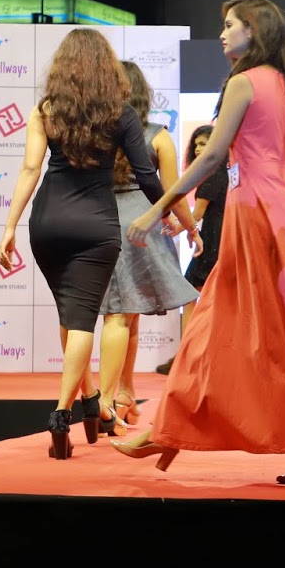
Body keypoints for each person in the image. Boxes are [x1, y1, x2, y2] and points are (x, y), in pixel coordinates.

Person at [115, 0, 285, 486]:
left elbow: (210, 158)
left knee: (217, 325)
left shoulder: (244, 82)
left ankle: (170, 430)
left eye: (231, 25)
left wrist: (159, 208)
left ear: (254, 31)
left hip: (256, 217)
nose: (223, 34)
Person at [0, 29, 166, 460]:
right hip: (95, 225)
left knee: (71, 315)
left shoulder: (46, 110)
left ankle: (91, 402)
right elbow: (147, 176)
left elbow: (30, 170)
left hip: (47, 223)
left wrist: (9, 226)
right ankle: (61, 412)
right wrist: (173, 213)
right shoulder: (122, 114)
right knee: (82, 320)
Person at [96, 61, 202, 432]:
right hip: (142, 227)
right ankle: (107, 401)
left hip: (100, 221)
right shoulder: (157, 136)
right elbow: (172, 192)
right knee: (123, 316)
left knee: (124, 314)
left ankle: (124, 392)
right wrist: (191, 228)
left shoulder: (93, 136)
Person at [156, 125, 225, 375]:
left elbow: (196, 215)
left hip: (212, 245)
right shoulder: (225, 173)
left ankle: (187, 357)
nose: (197, 149)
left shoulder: (212, 176)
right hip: (219, 242)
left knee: (191, 297)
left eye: (203, 144)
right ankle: (196, 355)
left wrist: (176, 227)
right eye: (195, 144)